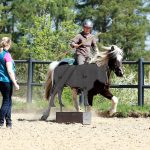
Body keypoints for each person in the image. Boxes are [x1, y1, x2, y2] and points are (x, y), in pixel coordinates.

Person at [70, 19, 99, 107]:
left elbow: (95, 47)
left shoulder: (92, 37)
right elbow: (72, 42)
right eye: (86, 28)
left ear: (90, 29)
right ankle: (78, 87)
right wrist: (73, 45)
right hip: (80, 55)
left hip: (88, 56)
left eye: (89, 28)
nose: (87, 29)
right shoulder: (79, 35)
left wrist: (97, 52)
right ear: (83, 27)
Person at [0, 37, 19, 128]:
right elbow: (10, 71)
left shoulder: (0, 53)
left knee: (8, 101)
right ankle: (0, 121)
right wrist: (15, 83)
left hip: (0, 80)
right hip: (6, 80)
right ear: (8, 44)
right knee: (6, 101)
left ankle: (9, 122)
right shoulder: (7, 55)